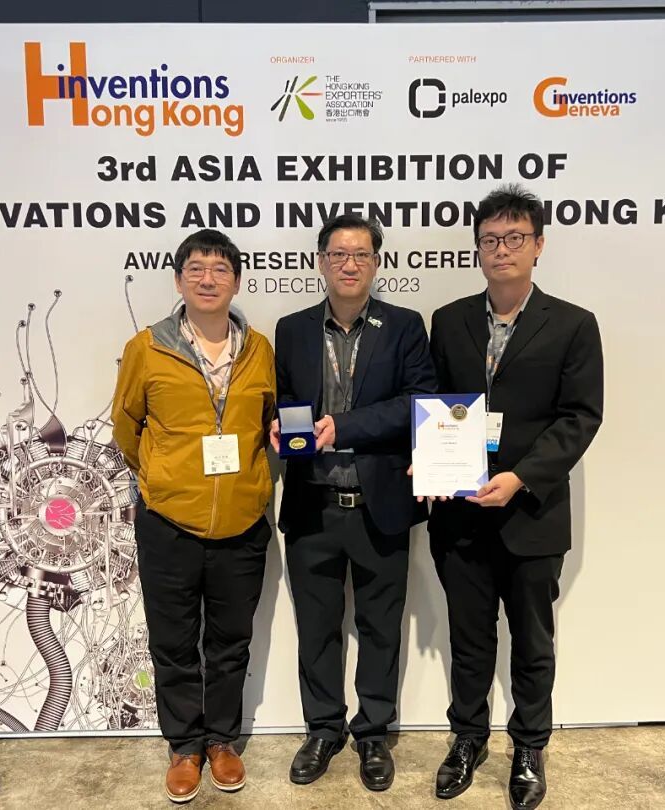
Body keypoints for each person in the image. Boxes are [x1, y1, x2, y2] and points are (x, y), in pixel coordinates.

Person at [426, 185, 603, 809]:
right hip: (460, 514)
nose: (501, 250)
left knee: (532, 641)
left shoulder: (574, 324)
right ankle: (467, 738)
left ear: (538, 246)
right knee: (469, 638)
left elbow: (580, 417)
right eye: (490, 240)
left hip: (532, 511)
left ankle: (529, 746)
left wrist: (522, 477)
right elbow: (434, 406)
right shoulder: (448, 320)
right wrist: (431, 463)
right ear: (477, 248)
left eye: (514, 238)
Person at [271, 214, 438, 791]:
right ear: (320, 261)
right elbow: (285, 399)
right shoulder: (292, 329)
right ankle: (323, 729)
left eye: (361, 254)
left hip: (379, 504)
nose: (349, 264)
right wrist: (279, 426)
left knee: (380, 626)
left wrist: (342, 426)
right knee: (317, 627)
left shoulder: (405, 326)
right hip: (312, 505)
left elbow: (417, 402)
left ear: (375, 263)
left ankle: (373, 734)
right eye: (338, 254)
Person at [112, 228, 276, 804]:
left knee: (231, 641)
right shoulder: (146, 348)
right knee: (174, 640)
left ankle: (222, 741)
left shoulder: (259, 350)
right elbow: (127, 427)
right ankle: (184, 746)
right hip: (168, 523)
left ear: (237, 281)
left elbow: (270, 421)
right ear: (179, 280)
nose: (209, 279)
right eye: (197, 269)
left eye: (220, 269)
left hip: (242, 521)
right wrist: (164, 478)